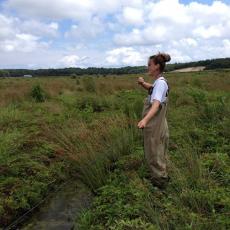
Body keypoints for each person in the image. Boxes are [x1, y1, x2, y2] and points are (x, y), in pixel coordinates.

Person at [137, 52, 170, 189]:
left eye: (149, 65)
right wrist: (143, 83)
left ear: (157, 66)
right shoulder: (159, 82)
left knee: (154, 152)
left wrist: (145, 120)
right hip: (159, 125)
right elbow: (153, 89)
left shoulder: (160, 84)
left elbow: (156, 105)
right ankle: (162, 176)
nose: (148, 67)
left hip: (154, 126)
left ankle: (160, 184)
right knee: (158, 149)